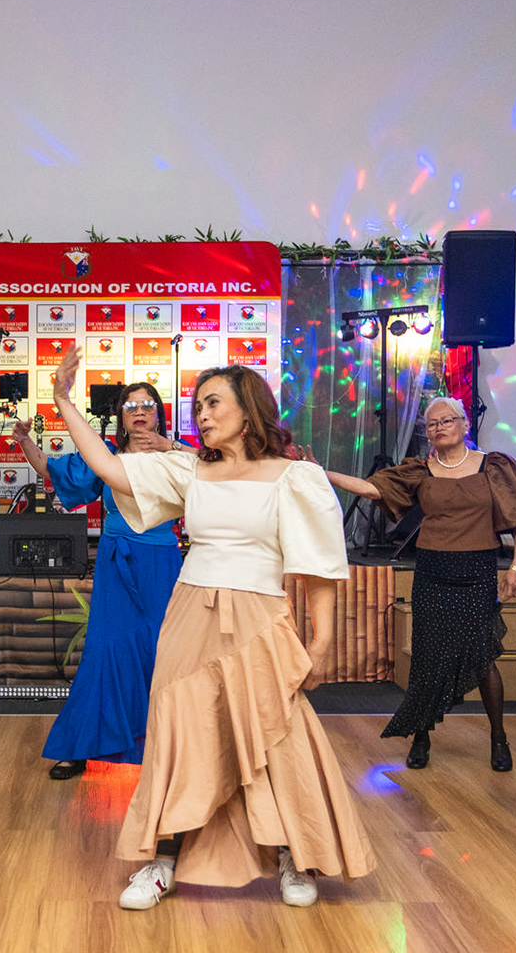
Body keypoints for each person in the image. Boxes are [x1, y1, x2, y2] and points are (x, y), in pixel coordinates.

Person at [51, 345, 372, 910]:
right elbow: (109, 468)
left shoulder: (296, 478)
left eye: (213, 403)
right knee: (181, 733)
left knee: (277, 735)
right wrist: (63, 402)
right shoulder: (188, 470)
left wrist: (321, 643)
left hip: (259, 619)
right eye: (197, 405)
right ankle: (162, 862)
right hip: (190, 614)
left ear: (249, 411)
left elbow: (317, 570)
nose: (201, 414)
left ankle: (294, 856)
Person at [329, 396, 516, 772]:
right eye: (432, 424)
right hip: (432, 572)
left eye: (446, 420)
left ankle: (498, 738)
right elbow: (370, 489)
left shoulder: (493, 465)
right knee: (428, 658)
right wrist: (320, 473)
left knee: (482, 657)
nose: (439, 427)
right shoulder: (420, 470)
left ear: (464, 424)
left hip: (476, 572)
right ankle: (421, 736)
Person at [12, 382, 185, 779]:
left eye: (147, 404)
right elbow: (49, 469)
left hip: (161, 564)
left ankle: (167, 748)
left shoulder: (178, 455)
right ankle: (80, 746)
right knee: (105, 650)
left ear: (159, 414)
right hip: (116, 563)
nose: (139, 411)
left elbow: (218, 471)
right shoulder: (105, 455)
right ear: (121, 417)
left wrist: (170, 446)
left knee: (162, 652)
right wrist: (24, 442)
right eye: (130, 406)